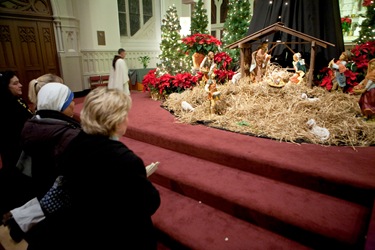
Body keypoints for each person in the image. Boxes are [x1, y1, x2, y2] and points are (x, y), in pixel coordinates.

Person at [59, 87, 160, 249]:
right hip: (121, 236)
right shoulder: (124, 160)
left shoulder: (74, 144)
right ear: (115, 121)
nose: (127, 120)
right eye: (125, 115)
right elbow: (149, 202)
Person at [2, 82, 81, 248]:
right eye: (70, 100)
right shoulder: (68, 134)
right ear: (59, 105)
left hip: (38, 189)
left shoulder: (33, 123)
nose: (74, 104)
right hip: (64, 208)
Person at [0, 71, 34, 217]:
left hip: (22, 147)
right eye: (15, 83)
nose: (20, 85)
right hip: (14, 148)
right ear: (5, 87)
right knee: (16, 178)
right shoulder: (4, 106)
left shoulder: (17, 100)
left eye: (19, 81)